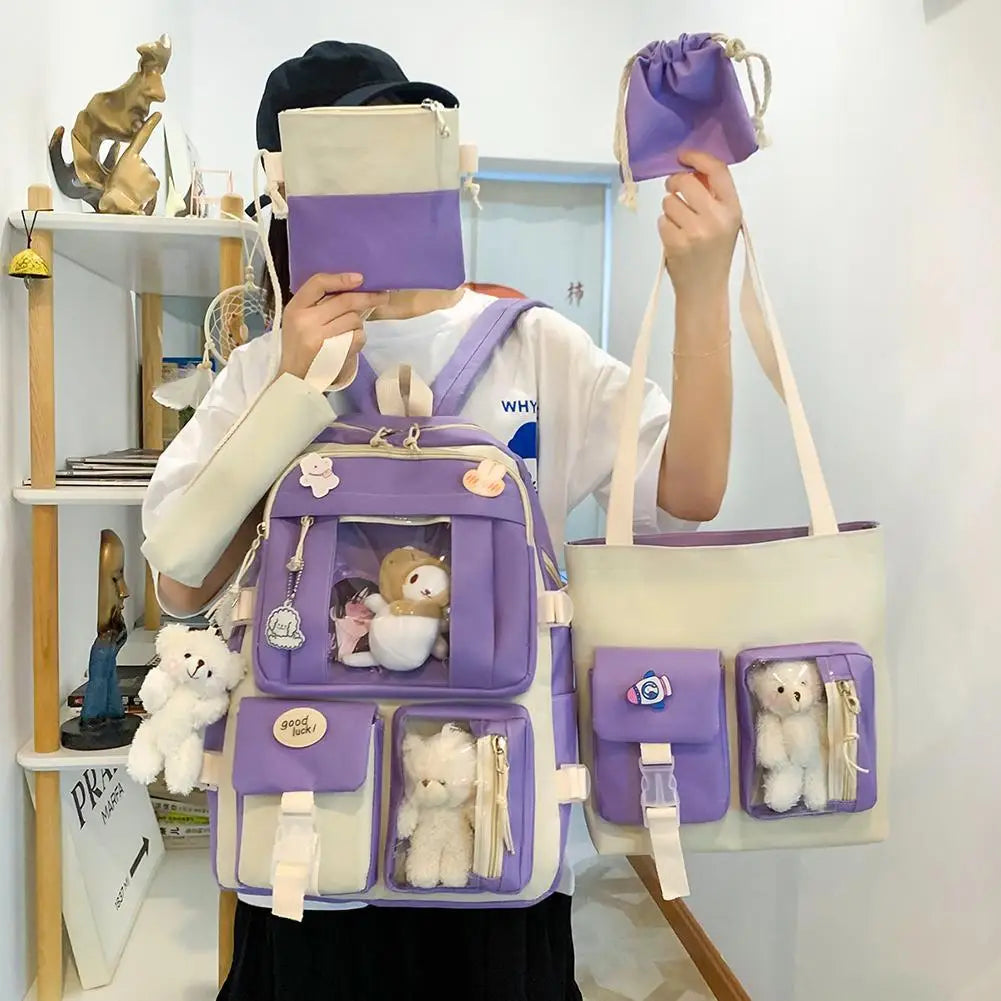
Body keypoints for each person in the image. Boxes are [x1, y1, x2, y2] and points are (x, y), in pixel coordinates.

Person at [142, 40, 739, 1001]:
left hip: (495, 821)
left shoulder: (535, 347)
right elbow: (178, 577)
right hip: (310, 829)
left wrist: (702, 291)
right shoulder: (265, 367)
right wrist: (292, 389)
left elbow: (686, 497)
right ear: (286, 193)